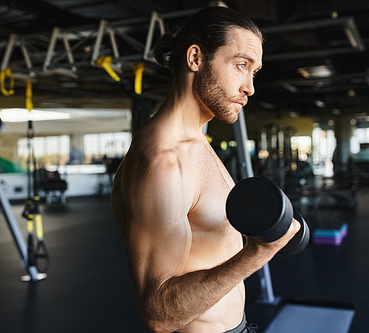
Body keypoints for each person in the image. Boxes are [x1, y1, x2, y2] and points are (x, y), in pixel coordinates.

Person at [111, 6, 300, 333]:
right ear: (196, 58)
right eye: (241, 65)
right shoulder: (163, 161)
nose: (250, 88)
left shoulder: (198, 142)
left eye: (253, 72)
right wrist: (258, 253)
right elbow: (158, 313)